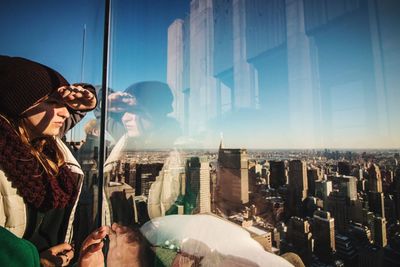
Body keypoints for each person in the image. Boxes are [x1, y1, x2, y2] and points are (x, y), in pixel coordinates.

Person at [0, 55, 97, 266]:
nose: (65, 112)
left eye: (66, 104)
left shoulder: (43, 144)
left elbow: (76, 108)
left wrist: (86, 96)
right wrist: (35, 262)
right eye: (53, 102)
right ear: (20, 103)